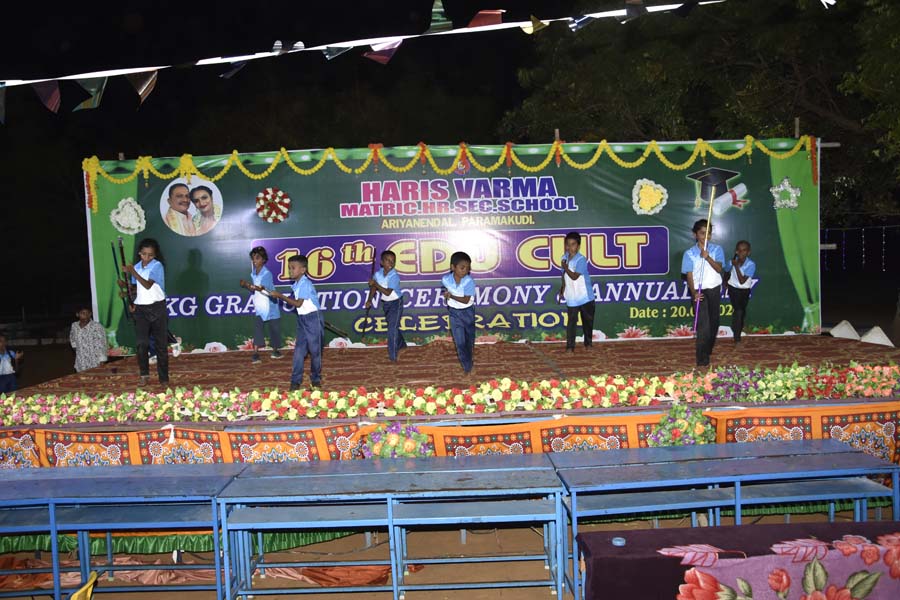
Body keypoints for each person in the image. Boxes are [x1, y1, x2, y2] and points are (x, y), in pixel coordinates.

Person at [266, 255, 323, 391]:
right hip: (302, 319)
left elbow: (298, 304)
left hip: (313, 319)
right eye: (289, 268)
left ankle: (315, 380)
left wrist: (280, 296)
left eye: (293, 268)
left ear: (303, 270)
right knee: (299, 352)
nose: (290, 271)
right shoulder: (297, 284)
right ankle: (295, 381)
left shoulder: (305, 283)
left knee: (315, 352)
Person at [118, 238, 169, 386]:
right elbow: (136, 288)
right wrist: (126, 289)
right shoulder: (136, 267)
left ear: (155, 255)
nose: (146, 257)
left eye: (150, 255)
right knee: (141, 344)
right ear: (139, 253)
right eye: (144, 254)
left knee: (161, 345)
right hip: (141, 309)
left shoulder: (157, 266)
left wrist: (132, 272)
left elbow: (147, 285)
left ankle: (164, 378)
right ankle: (144, 375)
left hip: (157, 308)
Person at [681, 219, 725, 367]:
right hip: (699, 292)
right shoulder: (689, 254)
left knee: (714, 324)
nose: (706, 236)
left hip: (714, 290)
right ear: (695, 234)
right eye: (702, 233)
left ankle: (708, 348)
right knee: (703, 327)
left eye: (709, 233)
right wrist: (694, 293)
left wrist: (707, 257)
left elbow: (719, 269)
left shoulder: (717, 250)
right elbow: (689, 275)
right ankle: (702, 359)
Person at [239, 246, 283, 364]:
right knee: (258, 328)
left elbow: (262, 289)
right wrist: (247, 286)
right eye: (253, 258)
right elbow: (254, 289)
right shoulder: (253, 273)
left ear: (264, 260)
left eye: (257, 258)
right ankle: (255, 353)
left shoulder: (267, 274)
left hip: (271, 304)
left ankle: (275, 351)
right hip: (260, 304)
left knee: (274, 329)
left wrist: (247, 285)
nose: (254, 261)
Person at [365, 250, 407, 362]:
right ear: (382, 262)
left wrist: (375, 283)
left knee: (392, 329)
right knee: (393, 327)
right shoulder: (378, 275)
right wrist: (369, 300)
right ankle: (402, 345)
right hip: (386, 304)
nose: (391, 263)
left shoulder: (394, 276)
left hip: (396, 303)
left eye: (393, 261)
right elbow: (374, 289)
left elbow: (387, 292)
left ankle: (393, 356)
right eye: (388, 260)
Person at [557, 231, 595, 352]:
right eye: (567, 244)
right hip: (572, 296)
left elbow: (574, 276)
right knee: (571, 321)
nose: (569, 247)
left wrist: (565, 267)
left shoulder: (581, 259)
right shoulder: (564, 258)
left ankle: (588, 344)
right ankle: (570, 347)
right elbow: (564, 275)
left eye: (573, 244)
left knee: (587, 321)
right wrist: (562, 289)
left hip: (585, 295)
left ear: (578, 246)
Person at [441, 251, 476, 374]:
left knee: (469, 340)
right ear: (453, 267)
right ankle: (467, 367)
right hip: (454, 313)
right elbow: (446, 291)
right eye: (462, 267)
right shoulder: (445, 279)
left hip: (468, 312)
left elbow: (466, 300)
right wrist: (446, 295)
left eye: (468, 268)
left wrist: (451, 296)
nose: (465, 270)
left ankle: (469, 358)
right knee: (459, 342)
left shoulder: (469, 281)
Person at [725, 240, 756, 344]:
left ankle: (736, 326)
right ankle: (737, 337)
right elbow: (726, 270)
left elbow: (742, 281)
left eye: (744, 250)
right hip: (733, 289)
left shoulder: (751, 264)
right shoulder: (732, 262)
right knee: (738, 310)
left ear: (748, 252)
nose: (741, 253)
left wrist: (736, 266)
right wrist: (725, 282)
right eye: (739, 250)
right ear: (736, 251)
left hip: (744, 291)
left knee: (741, 312)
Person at [70, 307, 108, 372]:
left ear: (90, 314)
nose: (86, 315)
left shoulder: (97, 326)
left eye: (88, 313)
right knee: (82, 377)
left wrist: (102, 360)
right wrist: (76, 348)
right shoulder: (74, 325)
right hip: (81, 360)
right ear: (77, 314)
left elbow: (102, 343)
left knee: (94, 376)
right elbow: (72, 338)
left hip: (94, 360)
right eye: (83, 313)